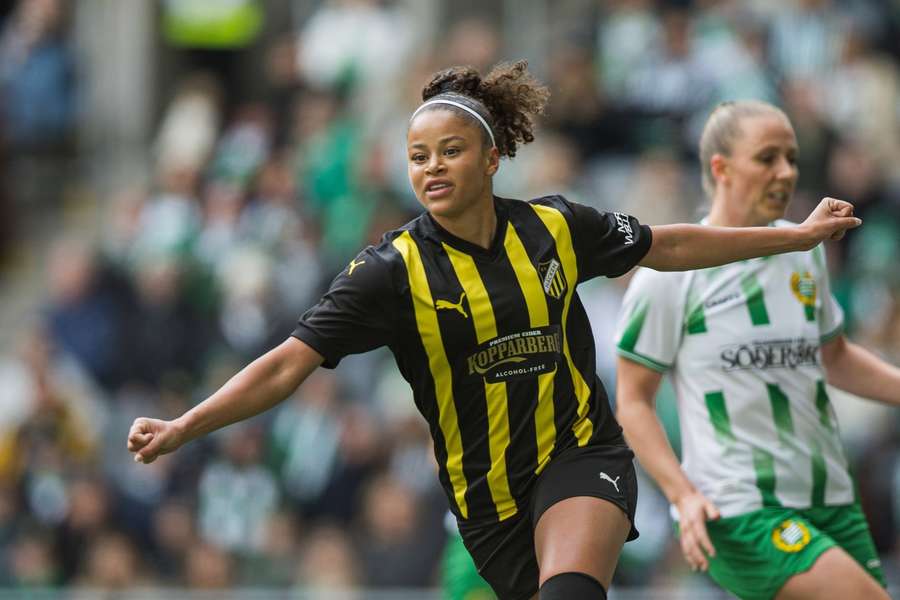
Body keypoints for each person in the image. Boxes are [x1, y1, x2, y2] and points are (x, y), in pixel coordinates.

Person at [128, 64, 862, 600]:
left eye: (449, 151)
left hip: (583, 455)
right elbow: (287, 365)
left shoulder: (554, 226)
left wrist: (789, 239)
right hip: (486, 502)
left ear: (491, 156)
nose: (432, 167)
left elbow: (669, 245)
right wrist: (189, 424)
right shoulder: (391, 269)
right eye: (418, 157)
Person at [614, 100, 899, 600]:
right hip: (741, 509)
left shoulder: (803, 251)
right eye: (767, 158)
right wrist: (683, 495)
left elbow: (834, 358)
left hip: (831, 498)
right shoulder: (669, 275)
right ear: (721, 168)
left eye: (791, 158)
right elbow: (633, 402)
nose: (786, 172)